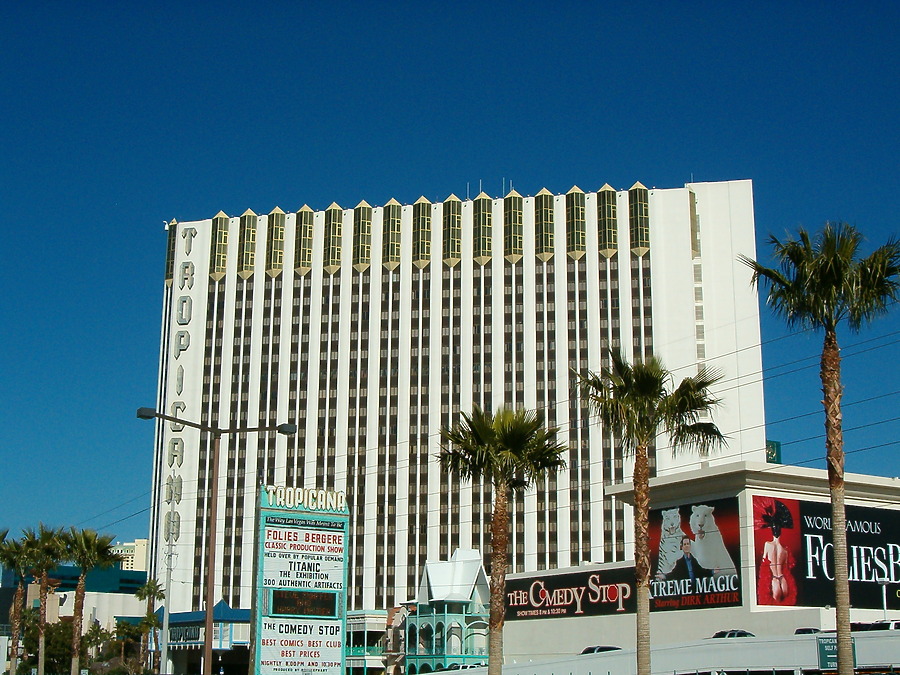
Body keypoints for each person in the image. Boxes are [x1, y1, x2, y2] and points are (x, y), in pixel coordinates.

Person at [756, 498, 797, 605]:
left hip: (774, 580)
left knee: (774, 607)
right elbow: (787, 568)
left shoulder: (767, 545)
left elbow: (764, 564)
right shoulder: (785, 550)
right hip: (783, 580)